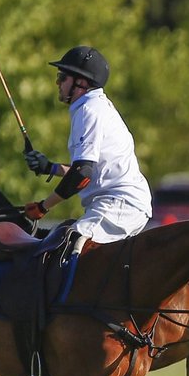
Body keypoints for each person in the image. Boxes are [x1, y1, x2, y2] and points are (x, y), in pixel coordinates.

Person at [23, 45, 152, 243]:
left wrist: (43, 207)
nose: (57, 83)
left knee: (65, 246)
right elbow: (91, 173)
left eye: (62, 77)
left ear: (80, 82)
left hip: (119, 204)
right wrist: (50, 167)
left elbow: (82, 174)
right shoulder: (93, 107)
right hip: (121, 204)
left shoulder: (89, 111)